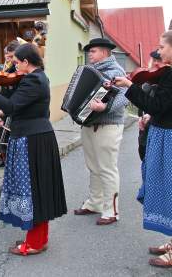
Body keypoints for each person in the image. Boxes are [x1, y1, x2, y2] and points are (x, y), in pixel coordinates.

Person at [0, 43, 67, 256]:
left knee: (32, 191)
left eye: (16, 62)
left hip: (31, 140)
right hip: (34, 136)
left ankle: (34, 243)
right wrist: (0, 115)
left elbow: (13, 106)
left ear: (26, 62)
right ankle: (39, 239)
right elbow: (21, 108)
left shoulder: (33, 79)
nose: (13, 67)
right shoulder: (37, 77)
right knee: (38, 190)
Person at [113, 30, 172, 268]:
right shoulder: (166, 74)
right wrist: (150, 116)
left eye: (163, 47)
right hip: (163, 134)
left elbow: (157, 104)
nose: (159, 51)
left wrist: (129, 85)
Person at [73, 38, 128, 225]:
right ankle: (95, 203)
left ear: (105, 52)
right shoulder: (91, 71)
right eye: (89, 51)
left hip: (108, 125)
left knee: (107, 168)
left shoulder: (116, 71)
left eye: (93, 51)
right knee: (93, 167)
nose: (90, 54)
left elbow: (125, 97)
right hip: (89, 125)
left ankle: (111, 210)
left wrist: (105, 108)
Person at [0, 40, 20, 167]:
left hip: (11, 108)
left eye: (11, 56)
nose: (9, 58)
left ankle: (9, 161)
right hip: (2, 105)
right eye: (7, 55)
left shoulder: (16, 71)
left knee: (10, 137)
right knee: (2, 134)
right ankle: (3, 158)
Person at [137, 50, 163, 161]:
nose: (155, 64)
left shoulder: (165, 84)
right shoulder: (147, 84)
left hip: (160, 133)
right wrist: (141, 117)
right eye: (154, 60)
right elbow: (141, 107)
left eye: (159, 61)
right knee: (144, 157)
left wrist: (151, 116)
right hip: (145, 131)